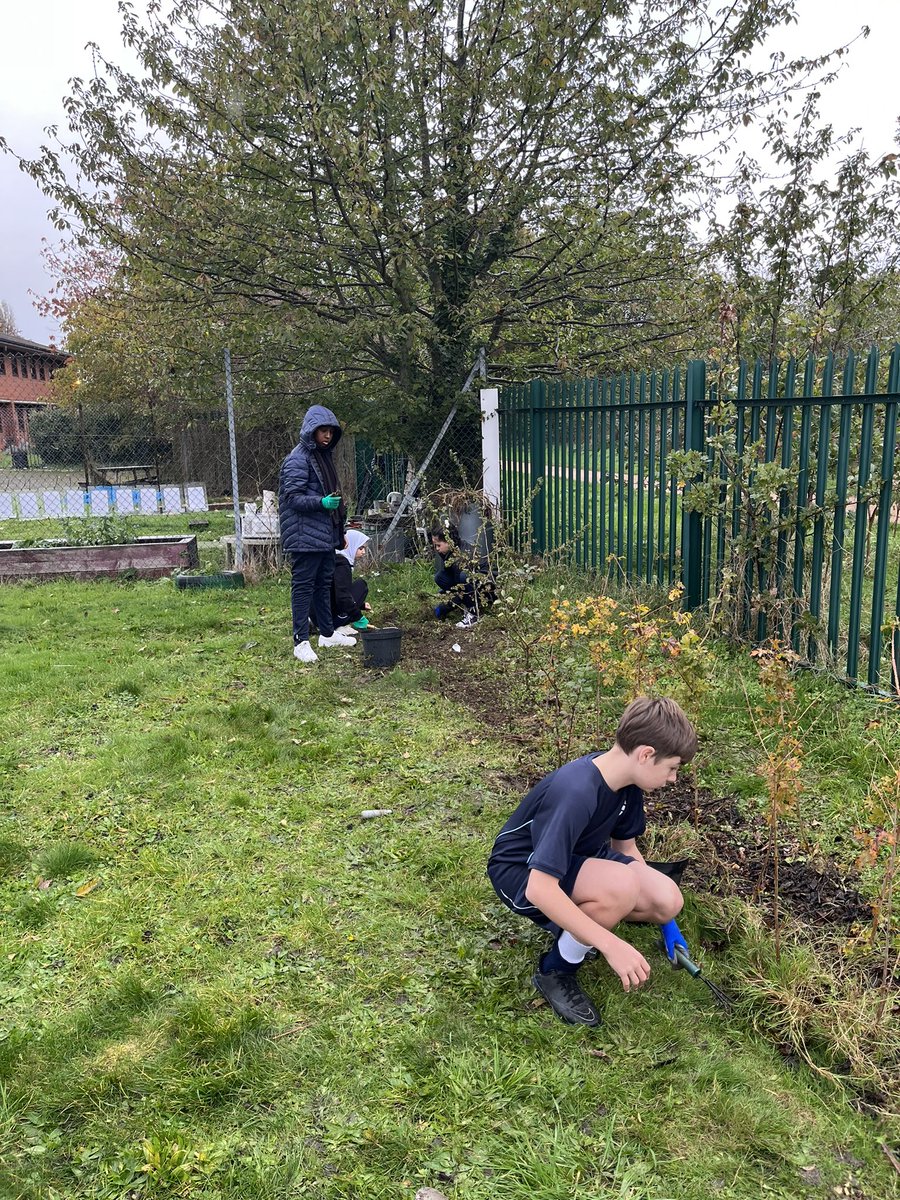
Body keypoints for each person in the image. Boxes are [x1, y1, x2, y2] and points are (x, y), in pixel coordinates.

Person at [487, 696, 697, 1026]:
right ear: (645, 754)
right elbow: (541, 889)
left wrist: (666, 921)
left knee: (668, 897)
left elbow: (626, 850)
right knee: (620, 887)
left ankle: (583, 925)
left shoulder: (628, 784)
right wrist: (611, 945)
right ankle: (556, 969)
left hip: (577, 858)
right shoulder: (577, 791)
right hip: (522, 872)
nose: (673, 778)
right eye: (672, 768)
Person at [278, 405, 357, 663]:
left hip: (324, 534)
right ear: (311, 431)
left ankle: (326, 634)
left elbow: (335, 497)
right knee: (303, 587)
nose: (327, 436)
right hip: (303, 536)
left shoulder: (323, 458)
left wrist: (340, 530)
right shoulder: (298, 459)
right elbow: (292, 498)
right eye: (322, 431)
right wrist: (321, 503)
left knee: (324, 584)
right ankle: (300, 641)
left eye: (331, 431)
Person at [431, 523, 495, 630]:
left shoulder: (462, 556)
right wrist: (444, 594)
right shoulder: (449, 552)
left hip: (487, 588)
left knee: (464, 576)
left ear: (449, 542)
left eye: (438, 545)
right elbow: (452, 578)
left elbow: (461, 587)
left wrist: (445, 608)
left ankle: (474, 613)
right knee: (440, 577)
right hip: (467, 583)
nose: (436, 549)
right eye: (435, 545)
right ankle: (467, 604)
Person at [332, 529, 371, 635]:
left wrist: (361, 605)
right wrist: (358, 616)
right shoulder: (341, 564)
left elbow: (335, 591)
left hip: (319, 611)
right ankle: (338, 622)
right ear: (350, 545)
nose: (363, 552)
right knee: (361, 585)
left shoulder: (333, 559)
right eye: (361, 548)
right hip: (329, 618)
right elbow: (342, 596)